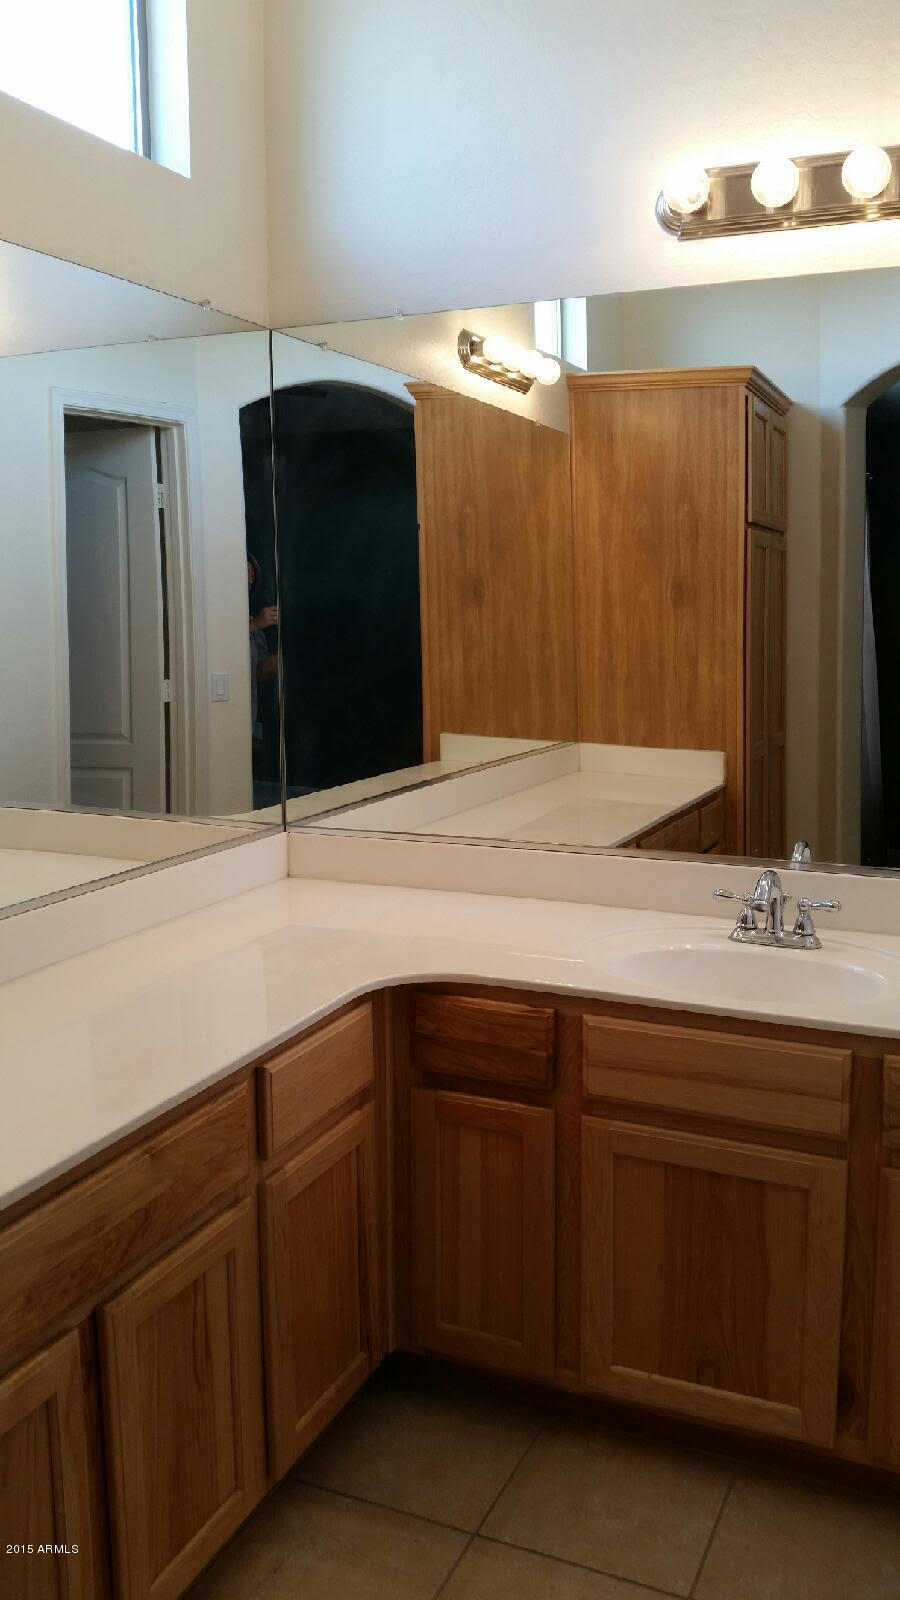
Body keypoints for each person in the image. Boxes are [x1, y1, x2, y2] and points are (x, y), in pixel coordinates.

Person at [247, 555, 278, 739]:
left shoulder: (254, 624)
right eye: (246, 572)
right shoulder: (214, 614)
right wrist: (255, 624)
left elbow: (256, 673)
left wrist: (277, 661)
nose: (250, 578)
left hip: (247, 719)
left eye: (252, 575)